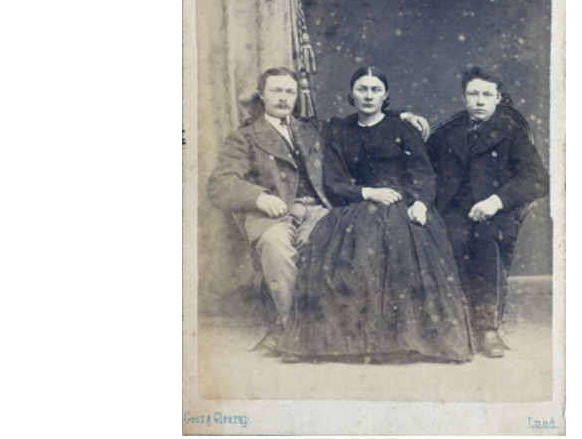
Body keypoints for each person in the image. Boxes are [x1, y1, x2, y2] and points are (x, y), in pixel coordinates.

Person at [207, 67, 430, 355]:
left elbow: (363, 116)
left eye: (289, 91)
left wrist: (403, 115)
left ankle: (320, 333)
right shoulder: (244, 137)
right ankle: (292, 332)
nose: (283, 98)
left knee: (325, 246)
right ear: (261, 94)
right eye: (276, 90)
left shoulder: (311, 128)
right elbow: (220, 184)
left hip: (318, 210)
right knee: (276, 247)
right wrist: (259, 197)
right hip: (273, 213)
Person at [278, 67, 474, 363]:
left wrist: (421, 204)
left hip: (403, 204)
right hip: (358, 205)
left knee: (402, 251)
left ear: (385, 96)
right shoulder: (339, 131)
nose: (368, 96)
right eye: (362, 89)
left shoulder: (403, 129)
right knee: (345, 259)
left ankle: (407, 341)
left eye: (375, 90)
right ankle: (349, 344)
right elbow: (334, 182)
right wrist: (367, 192)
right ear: (351, 94)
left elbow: (423, 174)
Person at [427, 67, 549, 358]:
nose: (480, 101)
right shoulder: (446, 133)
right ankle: (454, 324)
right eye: (473, 94)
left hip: (493, 212)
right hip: (452, 211)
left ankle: (487, 328)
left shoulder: (511, 133)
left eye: (486, 94)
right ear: (464, 97)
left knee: (486, 238)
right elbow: (421, 169)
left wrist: (496, 201)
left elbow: (537, 178)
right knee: (450, 239)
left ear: (497, 98)